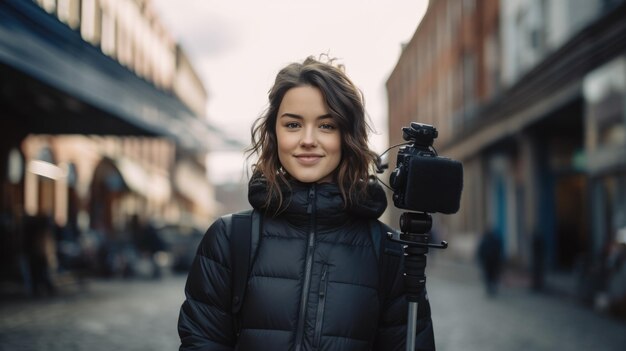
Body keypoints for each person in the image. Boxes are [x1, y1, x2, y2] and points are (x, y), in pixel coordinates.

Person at [178, 56, 435, 350]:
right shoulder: (228, 238)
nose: (308, 139)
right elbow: (201, 342)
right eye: (293, 124)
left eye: (326, 125)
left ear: (347, 136)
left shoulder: (388, 251)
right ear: (274, 134)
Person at [477, 228, 503, 297]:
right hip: (493, 261)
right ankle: (492, 287)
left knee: (489, 275)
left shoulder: (485, 241)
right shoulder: (495, 240)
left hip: (488, 262)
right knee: (492, 274)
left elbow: (480, 251)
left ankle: (490, 287)